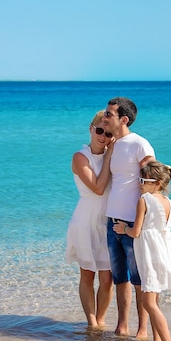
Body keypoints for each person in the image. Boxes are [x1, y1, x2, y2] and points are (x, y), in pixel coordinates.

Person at [113, 161, 171, 341]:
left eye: (143, 180)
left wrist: (123, 228)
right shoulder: (170, 203)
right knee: (154, 298)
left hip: (151, 254)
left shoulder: (144, 200)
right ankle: (157, 340)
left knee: (148, 302)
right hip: (166, 252)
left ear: (157, 184)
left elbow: (136, 232)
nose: (140, 184)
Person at [102, 97, 155, 338]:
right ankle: (121, 326)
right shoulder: (114, 145)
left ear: (124, 119)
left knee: (139, 279)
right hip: (112, 221)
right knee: (119, 278)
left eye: (109, 114)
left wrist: (144, 219)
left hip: (134, 223)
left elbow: (154, 181)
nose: (104, 117)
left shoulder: (140, 144)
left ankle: (142, 330)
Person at [65, 110, 115, 328]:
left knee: (107, 279)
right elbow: (97, 187)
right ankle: (92, 322)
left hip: (108, 220)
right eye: (99, 130)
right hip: (86, 219)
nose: (102, 136)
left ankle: (101, 320)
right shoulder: (80, 156)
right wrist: (109, 157)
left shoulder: (114, 154)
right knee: (87, 274)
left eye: (108, 133)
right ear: (91, 129)